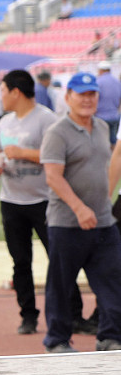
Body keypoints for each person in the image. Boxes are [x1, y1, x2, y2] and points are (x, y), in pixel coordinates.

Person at [40, 72, 121, 353]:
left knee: (113, 279)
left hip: (103, 222)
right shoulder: (57, 132)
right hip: (67, 223)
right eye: (81, 94)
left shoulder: (100, 126)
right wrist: (79, 207)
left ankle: (110, 336)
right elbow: (53, 176)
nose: (87, 99)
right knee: (61, 285)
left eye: (92, 94)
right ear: (68, 97)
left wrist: (104, 201)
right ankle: (57, 340)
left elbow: (105, 167)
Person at [0, 71, 60, 335]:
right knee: (20, 262)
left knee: (59, 258)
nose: (0, 96)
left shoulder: (46, 119)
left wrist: (23, 153)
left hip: (43, 201)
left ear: (16, 92)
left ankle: (68, 313)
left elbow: (57, 154)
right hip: (11, 201)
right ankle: (28, 316)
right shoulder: (5, 122)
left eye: (3, 90)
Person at [96, 61, 121, 145]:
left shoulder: (98, 82)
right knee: (113, 142)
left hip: (100, 117)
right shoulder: (117, 82)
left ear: (100, 70)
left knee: (102, 143)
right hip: (114, 116)